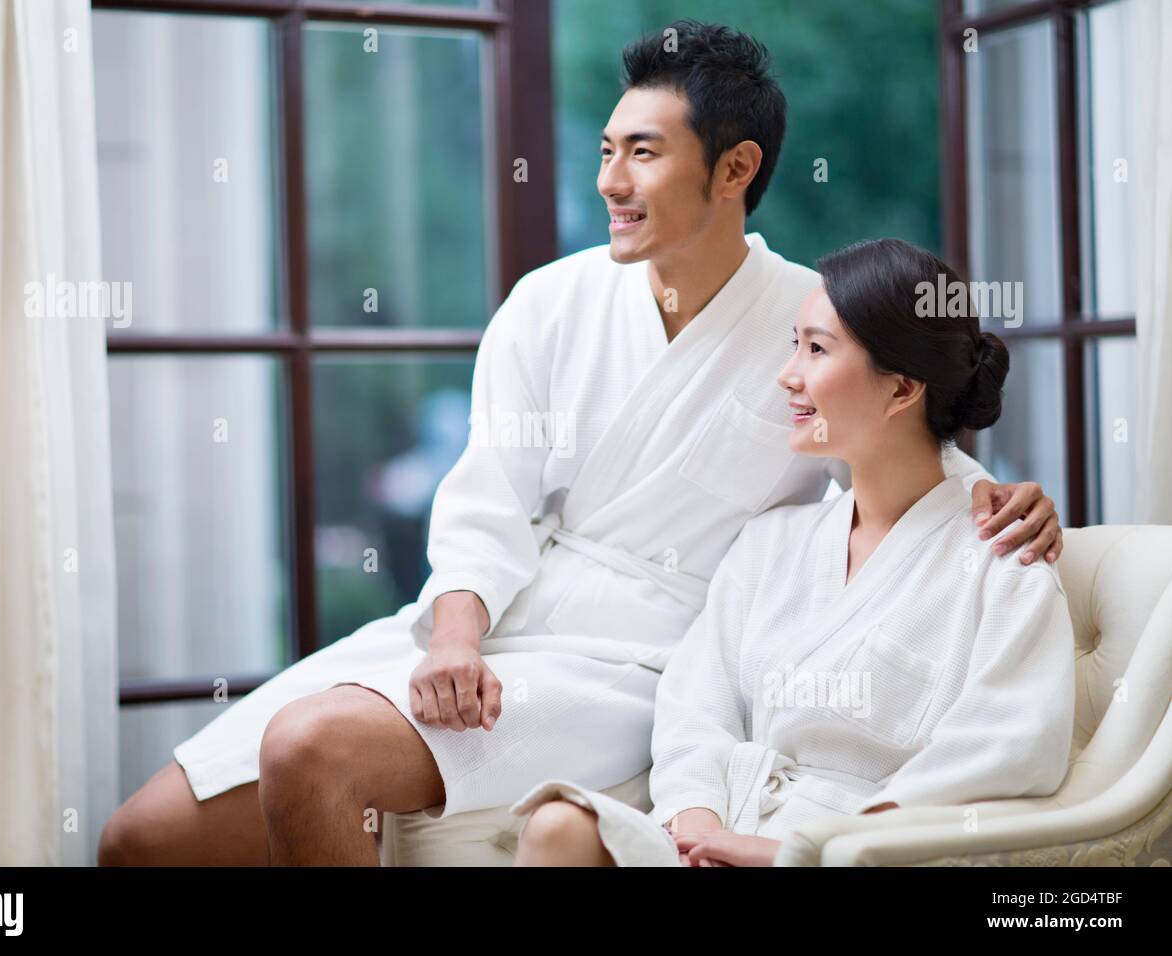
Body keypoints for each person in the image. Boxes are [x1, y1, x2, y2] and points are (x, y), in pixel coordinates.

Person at [97, 21, 1063, 867]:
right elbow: (487, 500)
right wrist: (455, 636)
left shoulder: (806, 316)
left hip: (639, 664)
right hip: (500, 618)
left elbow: (897, 438)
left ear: (736, 169)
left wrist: (1000, 494)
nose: (610, 181)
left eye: (643, 154)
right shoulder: (551, 301)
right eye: (606, 150)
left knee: (315, 750)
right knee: (136, 841)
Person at [509, 238, 1076, 867]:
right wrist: (698, 827)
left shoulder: (1004, 561)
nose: (787, 374)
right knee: (558, 827)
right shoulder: (771, 541)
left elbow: (1011, 744)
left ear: (902, 389)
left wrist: (797, 850)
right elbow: (695, 707)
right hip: (718, 826)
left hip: (850, 852)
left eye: (816, 348)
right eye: (793, 344)